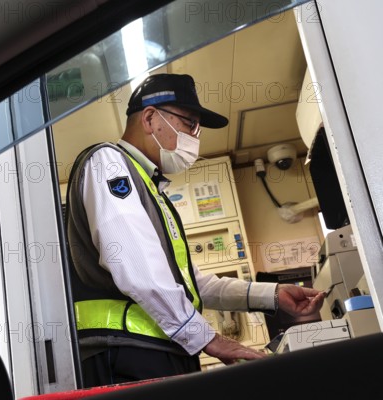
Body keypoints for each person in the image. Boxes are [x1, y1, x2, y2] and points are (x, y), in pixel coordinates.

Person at [65, 73, 325, 388]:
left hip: (159, 350)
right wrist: (208, 338)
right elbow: (139, 271)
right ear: (150, 118)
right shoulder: (108, 163)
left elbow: (192, 284)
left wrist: (271, 295)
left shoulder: (150, 188)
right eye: (190, 124)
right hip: (125, 351)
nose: (195, 137)